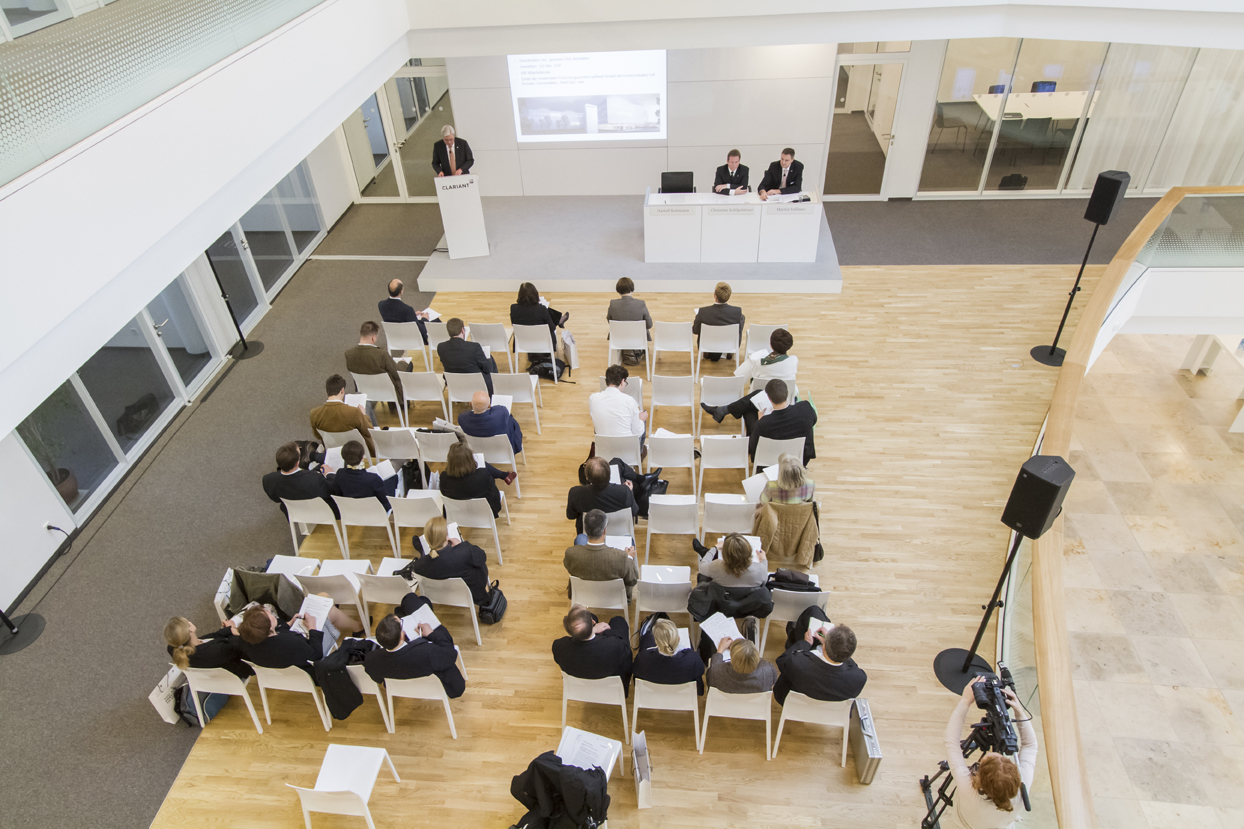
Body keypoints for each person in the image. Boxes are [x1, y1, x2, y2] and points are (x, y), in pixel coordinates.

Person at [942, 677, 1038, 829]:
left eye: (985, 761)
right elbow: (1030, 746)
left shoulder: (968, 790)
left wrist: (965, 702)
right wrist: (1019, 711)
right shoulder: (1022, 790)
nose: (994, 753)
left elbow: (951, 742)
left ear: (979, 777)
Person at [363, 594, 466, 698]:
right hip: (434, 680)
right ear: (402, 636)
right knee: (414, 599)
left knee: (421, 601)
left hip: (401, 687)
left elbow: (378, 679)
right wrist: (431, 634)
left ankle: (419, 604)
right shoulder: (428, 652)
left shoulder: (371, 660)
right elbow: (450, 654)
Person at [704, 377, 815, 469]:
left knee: (748, 411)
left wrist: (761, 419)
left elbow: (752, 447)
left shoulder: (763, 424)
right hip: (800, 457)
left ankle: (721, 411)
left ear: (769, 398)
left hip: (767, 460)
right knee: (756, 395)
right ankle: (721, 411)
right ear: (787, 393)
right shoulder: (806, 408)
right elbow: (813, 421)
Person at [773, 606, 866, 705]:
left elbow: (782, 660)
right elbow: (851, 665)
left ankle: (792, 634)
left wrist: (806, 643)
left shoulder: (798, 663)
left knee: (813, 611)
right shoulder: (859, 679)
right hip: (829, 711)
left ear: (824, 647)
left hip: (793, 703)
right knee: (815, 612)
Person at [236, 602, 356, 673]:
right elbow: (316, 655)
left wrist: (289, 623)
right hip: (309, 667)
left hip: (278, 671)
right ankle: (358, 627)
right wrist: (312, 628)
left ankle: (352, 624)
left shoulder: (246, 639)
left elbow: (274, 636)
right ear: (269, 627)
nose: (269, 611)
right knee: (330, 610)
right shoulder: (290, 643)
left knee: (322, 597)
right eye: (267, 614)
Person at [552, 604, 633, 693]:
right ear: (593, 622)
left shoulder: (558, 646)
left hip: (580, 687)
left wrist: (592, 631)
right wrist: (606, 632)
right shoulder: (614, 645)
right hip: (611, 688)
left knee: (589, 616)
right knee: (618, 620)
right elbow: (626, 650)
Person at [410, 517, 491, 605]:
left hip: (440, 595)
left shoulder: (419, 565)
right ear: (446, 536)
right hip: (470, 593)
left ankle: (422, 551)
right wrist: (461, 545)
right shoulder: (465, 552)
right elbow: (482, 556)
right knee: (477, 562)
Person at [564, 509, 638, 600]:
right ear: (604, 531)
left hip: (582, 595)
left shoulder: (571, 553)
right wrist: (630, 557)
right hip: (614, 598)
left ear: (585, 530)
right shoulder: (622, 557)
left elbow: (568, 566)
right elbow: (633, 580)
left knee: (579, 539)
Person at [345, 320, 410, 423]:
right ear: (373, 337)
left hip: (365, 390)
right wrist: (404, 363)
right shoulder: (381, 355)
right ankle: (401, 405)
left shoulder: (349, 355)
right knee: (407, 367)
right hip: (387, 390)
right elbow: (396, 373)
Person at [439, 438, 514, 518]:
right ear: (470, 459)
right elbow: (492, 486)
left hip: (459, 513)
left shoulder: (444, 478)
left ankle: (505, 475)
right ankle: (505, 475)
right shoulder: (482, 475)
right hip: (485, 511)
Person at [261, 441, 338, 518]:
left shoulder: (268, 480)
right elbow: (332, 490)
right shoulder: (315, 479)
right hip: (324, 513)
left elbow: (276, 499)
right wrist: (330, 474)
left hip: (296, 514)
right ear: (297, 463)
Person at [633, 615, 706, 694]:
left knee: (647, 636)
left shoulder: (642, 659)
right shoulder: (692, 659)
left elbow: (636, 674)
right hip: (683, 696)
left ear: (656, 642)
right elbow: (700, 673)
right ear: (678, 638)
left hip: (652, 695)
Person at [566, 456, 637, 536]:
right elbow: (634, 511)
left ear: (587, 477)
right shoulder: (624, 492)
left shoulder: (575, 493)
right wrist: (630, 492)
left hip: (589, 535)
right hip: (620, 533)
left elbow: (571, 516)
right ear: (609, 474)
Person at [165, 616, 251, 679]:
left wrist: (229, 629)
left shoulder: (176, 650)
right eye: (188, 622)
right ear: (190, 629)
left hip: (215, 677)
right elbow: (240, 647)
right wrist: (235, 628)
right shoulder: (218, 649)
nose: (190, 621)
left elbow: (212, 637)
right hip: (240, 671)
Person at [309, 374, 375, 457]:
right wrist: (364, 415)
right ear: (342, 390)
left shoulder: (314, 413)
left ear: (327, 391)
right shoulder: (355, 412)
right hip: (357, 452)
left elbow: (318, 435)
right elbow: (369, 431)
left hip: (333, 450)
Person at [589, 364, 647, 452]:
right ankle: (639, 455)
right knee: (641, 418)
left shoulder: (593, 398)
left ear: (606, 381)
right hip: (627, 452)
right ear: (622, 382)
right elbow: (637, 433)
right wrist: (641, 420)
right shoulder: (629, 400)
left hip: (605, 450)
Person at [509, 281, 568, 365]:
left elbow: (513, 323)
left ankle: (559, 320)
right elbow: (552, 328)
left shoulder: (513, 308)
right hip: (543, 341)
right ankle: (559, 321)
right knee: (549, 317)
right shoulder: (541, 309)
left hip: (523, 342)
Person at [437, 317, 497, 394]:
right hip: (475, 383)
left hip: (454, 382)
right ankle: (493, 394)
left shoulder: (441, 347)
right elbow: (487, 368)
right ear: (462, 330)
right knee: (490, 360)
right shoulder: (474, 347)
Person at [333, 440, 396, 511]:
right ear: (362, 457)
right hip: (374, 514)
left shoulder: (340, 474)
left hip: (351, 512)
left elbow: (338, 495)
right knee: (392, 479)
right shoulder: (373, 478)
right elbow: (386, 502)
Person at [706, 635, 777, 694]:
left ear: (732, 658)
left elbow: (713, 673)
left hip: (725, 708)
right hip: (754, 709)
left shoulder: (716, 673)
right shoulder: (768, 671)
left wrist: (720, 650)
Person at [693, 281, 745, 362]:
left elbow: (695, 330)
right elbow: (739, 331)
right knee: (741, 319)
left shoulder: (703, 312)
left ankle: (709, 351)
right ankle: (729, 350)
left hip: (708, 344)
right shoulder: (737, 312)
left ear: (715, 295)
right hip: (728, 343)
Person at [692, 532, 768, 587]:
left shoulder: (716, 566)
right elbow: (764, 581)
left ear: (724, 555)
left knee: (704, 572)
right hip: (746, 602)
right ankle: (703, 551)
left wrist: (714, 548)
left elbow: (702, 565)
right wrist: (764, 559)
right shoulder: (761, 569)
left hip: (723, 597)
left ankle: (704, 551)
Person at [459, 390, 523, 455]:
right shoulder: (501, 415)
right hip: (501, 452)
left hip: (478, 451)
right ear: (489, 406)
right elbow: (502, 409)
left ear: (470, 404)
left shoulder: (462, 419)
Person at [605, 277, 652, 365]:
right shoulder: (641, 304)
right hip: (637, 337)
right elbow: (649, 325)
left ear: (618, 290)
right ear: (632, 288)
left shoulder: (613, 303)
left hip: (619, 336)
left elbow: (609, 320)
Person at [378, 278, 438, 345]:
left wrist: (413, 314)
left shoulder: (381, 304)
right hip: (409, 337)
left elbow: (395, 316)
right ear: (401, 291)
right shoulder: (407, 309)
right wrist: (425, 318)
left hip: (394, 336)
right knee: (436, 320)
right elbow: (419, 329)